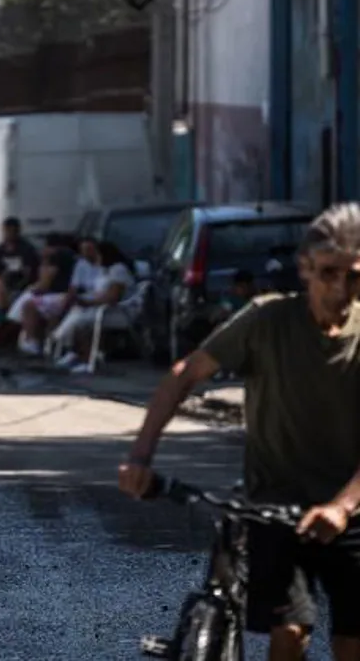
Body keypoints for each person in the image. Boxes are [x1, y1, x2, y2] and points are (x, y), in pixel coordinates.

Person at [119, 203, 360, 661]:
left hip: (349, 508)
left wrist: (343, 507)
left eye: (355, 276)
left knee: (353, 641)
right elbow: (184, 376)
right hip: (273, 503)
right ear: (306, 268)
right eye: (329, 273)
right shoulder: (266, 321)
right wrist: (140, 458)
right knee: (290, 632)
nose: (341, 289)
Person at [50, 240, 135, 370]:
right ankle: (72, 350)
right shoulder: (107, 270)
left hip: (118, 311)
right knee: (75, 312)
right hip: (103, 308)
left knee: (84, 323)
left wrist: (89, 303)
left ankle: (86, 360)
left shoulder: (118, 270)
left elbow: (113, 297)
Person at [12, 235, 100, 355]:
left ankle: (31, 341)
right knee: (31, 301)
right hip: (72, 298)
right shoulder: (80, 263)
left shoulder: (61, 259)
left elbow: (46, 283)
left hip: (77, 299)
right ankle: (37, 342)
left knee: (30, 304)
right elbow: (72, 286)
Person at [0, 217, 40, 351]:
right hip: (3, 288)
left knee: (2, 302)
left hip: (20, 286)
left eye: (11, 231)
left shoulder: (26, 249)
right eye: (6, 231)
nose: (8, 234)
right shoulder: (0, 249)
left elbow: (28, 275)